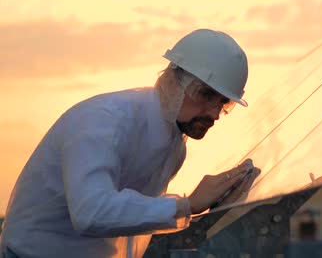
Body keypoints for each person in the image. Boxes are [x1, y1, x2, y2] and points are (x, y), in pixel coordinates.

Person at [0, 29, 260, 258]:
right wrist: (186, 206)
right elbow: (92, 213)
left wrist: (217, 204)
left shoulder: (174, 145)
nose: (214, 114)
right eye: (206, 94)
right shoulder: (102, 122)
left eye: (223, 103)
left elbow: (129, 220)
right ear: (172, 81)